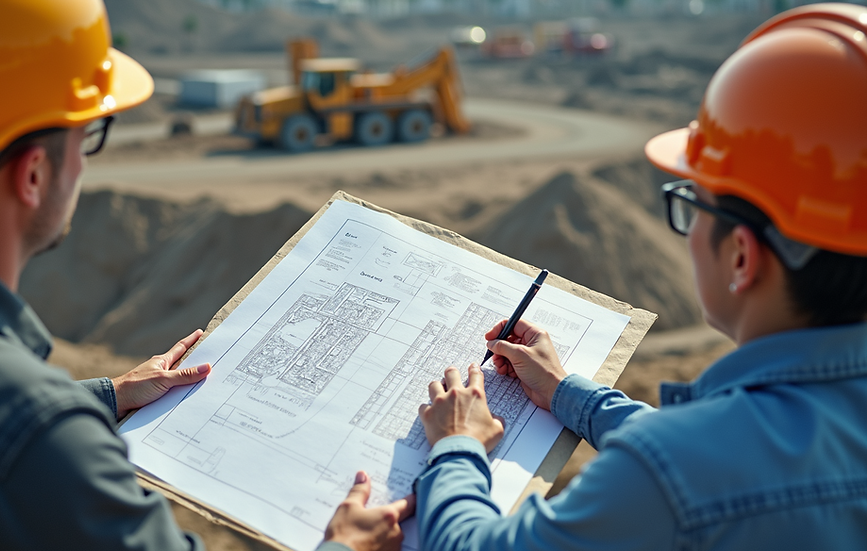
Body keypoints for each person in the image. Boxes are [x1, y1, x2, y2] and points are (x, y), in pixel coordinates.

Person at [335, 3, 867, 550]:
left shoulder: (670, 477)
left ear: (740, 256)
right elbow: (729, 460)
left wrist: (456, 445)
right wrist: (566, 393)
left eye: (693, 205)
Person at [0, 0, 408, 549]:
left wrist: (110, 396)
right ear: (34, 175)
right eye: (89, 136)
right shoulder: (43, 445)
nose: (86, 163)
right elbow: (14, 441)